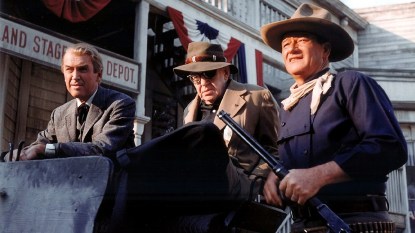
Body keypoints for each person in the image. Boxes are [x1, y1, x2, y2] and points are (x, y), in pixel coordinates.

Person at [260, 3, 408, 233]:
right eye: (286, 44)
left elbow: (390, 147)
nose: (292, 49)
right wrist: (275, 176)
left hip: (356, 222)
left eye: (302, 41)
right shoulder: (286, 107)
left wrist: (318, 176)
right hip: (304, 226)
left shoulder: (350, 84)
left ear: (325, 50)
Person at [173, 41, 280, 201]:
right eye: (195, 78)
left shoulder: (256, 97)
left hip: (242, 197)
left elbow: (277, 150)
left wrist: (254, 183)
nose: (203, 83)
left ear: (225, 73)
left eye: (209, 74)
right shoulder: (189, 111)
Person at [6, 42, 136, 161]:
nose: (75, 77)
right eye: (69, 69)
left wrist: (47, 149)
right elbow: (39, 145)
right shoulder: (59, 114)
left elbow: (102, 148)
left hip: (111, 184)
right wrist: (15, 155)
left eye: (82, 69)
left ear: (99, 75)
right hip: (70, 184)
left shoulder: (120, 104)